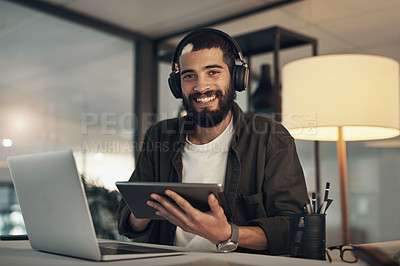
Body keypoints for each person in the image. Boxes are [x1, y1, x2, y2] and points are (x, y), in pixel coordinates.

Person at [118, 28, 308, 255]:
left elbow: (297, 230)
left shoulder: (271, 138)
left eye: (213, 72)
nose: (200, 87)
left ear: (237, 78)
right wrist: (141, 215)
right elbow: (127, 223)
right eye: (189, 76)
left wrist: (228, 234)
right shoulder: (159, 135)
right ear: (178, 85)